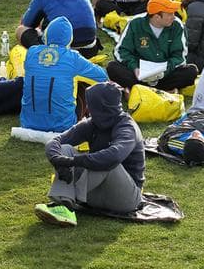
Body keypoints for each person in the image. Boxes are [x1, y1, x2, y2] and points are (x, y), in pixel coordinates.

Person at [35, 82, 145, 225]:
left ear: (101, 106)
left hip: (127, 199)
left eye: (91, 104)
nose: (87, 108)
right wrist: (59, 161)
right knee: (65, 149)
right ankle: (65, 206)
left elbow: (114, 156)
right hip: (95, 194)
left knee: (108, 162)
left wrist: (72, 162)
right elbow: (55, 142)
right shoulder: (92, 124)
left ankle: (65, 205)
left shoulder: (126, 127)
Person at [20, 16, 108, 133]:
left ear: (46, 35)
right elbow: (103, 77)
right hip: (63, 126)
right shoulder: (73, 58)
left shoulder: (32, 52)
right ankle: (88, 115)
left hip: (28, 123)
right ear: (70, 38)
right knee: (83, 83)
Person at [108, 0, 198, 91]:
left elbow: (180, 56)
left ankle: (139, 90)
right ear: (157, 17)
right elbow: (121, 50)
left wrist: (164, 71)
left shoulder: (177, 25)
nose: (173, 16)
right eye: (169, 14)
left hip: (164, 75)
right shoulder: (135, 23)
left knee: (191, 71)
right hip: (139, 74)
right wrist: (135, 68)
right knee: (112, 67)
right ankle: (162, 90)